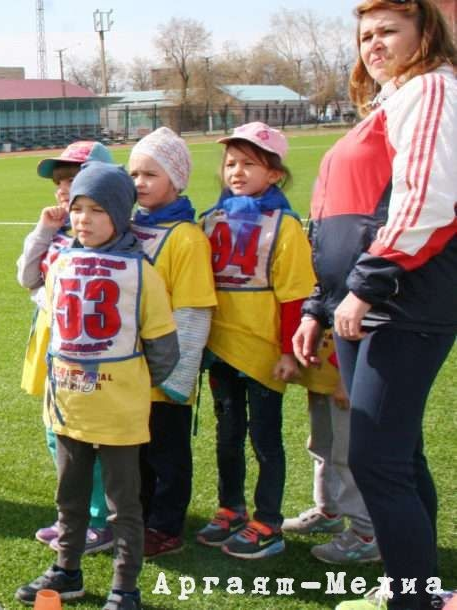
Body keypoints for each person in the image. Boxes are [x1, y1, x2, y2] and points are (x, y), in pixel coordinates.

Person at [293, 1, 456, 607]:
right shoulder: (394, 100)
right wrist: (321, 303)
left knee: (377, 459)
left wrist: (367, 285)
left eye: (389, 30)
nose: (374, 43)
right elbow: (344, 212)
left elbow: (427, 202)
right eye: (366, 34)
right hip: (362, 302)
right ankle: (418, 589)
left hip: (401, 300)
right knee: (398, 455)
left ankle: (412, 598)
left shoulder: (434, 89)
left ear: (427, 32)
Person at [15, 162, 178, 610]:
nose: (82, 218)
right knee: (69, 498)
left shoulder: (142, 272)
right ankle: (67, 571)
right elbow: (47, 313)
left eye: (96, 210)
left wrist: (132, 386)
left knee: (123, 505)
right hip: (67, 406)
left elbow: (164, 346)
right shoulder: (62, 260)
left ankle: (125, 587)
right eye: (78, 208)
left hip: (118, 413)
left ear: (122, 215)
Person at [195, 122, 315, 559]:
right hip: (220, 351)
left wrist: (288, 350)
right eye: (231, 163)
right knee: (226, 436)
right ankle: (231, 507)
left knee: (265, 439)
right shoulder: (209, 219)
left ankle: (269, 521)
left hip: (264, 354)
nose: (237, 172)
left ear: (275, 174)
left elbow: (294, 294)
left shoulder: (285, 225)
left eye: (249, 163)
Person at [14, 141, 116, 555]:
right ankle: (71, 516)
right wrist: (42, 230)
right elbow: (25, 277)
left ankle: (98, 519)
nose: (62, 189)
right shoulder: (57, 232)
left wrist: (47, 296)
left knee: (86, 437)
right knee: (57, 433)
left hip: (91, 355)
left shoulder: (107, 237)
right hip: (52, 345)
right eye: (60, 181)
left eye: (72, 179)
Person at [126, 127, 216, 558]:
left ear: (177, 179)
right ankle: (140, 516)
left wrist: (175, 376)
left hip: (165, 373)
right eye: (134, 174)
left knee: (168, 454)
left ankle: (166, 525)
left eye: (150, 174)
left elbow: (194, 312)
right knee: (136, 451)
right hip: (130, 371)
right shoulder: (128, 229)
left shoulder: (187, 238)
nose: (139, 182)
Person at [283, 330, 379, 565]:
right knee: (320, 446)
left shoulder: (356, 293)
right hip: (322, 378)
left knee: (347, 457)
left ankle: (366, 535)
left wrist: (346, 379)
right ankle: (328, 512)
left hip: (345, 381)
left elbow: (360, 329)